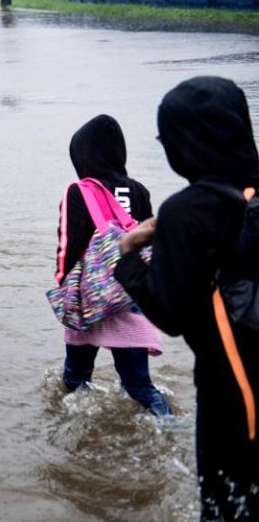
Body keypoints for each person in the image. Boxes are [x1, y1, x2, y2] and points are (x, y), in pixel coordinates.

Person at [114, 77, 258, 520]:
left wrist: (129, 255)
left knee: (224, 504)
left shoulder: (186, 210)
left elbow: (170, 313)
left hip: (231, 389)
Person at [54, 114, 171, 416]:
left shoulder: (77, 191)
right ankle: (168, 427)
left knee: (76, 379)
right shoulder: (139, 189)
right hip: (130, 294)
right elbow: (149, 242)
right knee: (139, 387)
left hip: (90, 299)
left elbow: (69, 243)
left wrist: (63, 284)